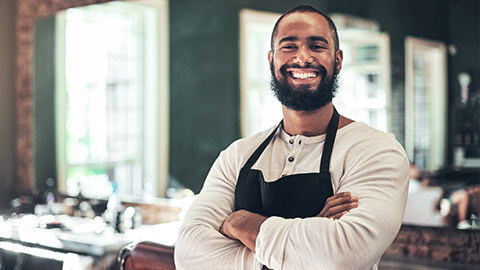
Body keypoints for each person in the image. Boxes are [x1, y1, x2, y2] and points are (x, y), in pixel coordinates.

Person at [175, 5, 410, 270]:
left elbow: (341, 256)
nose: (302, 58)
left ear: (338, 60)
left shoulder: (375, 151)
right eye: (289, 46)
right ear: (271, 59)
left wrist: (239, 222)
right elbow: (188, 252)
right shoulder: (237, 156)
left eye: (317, 46)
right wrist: (304, 246)